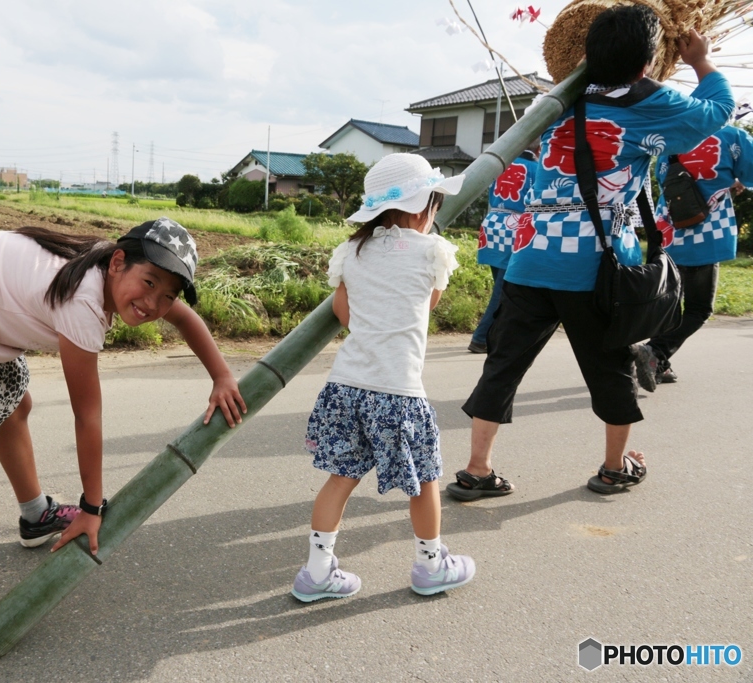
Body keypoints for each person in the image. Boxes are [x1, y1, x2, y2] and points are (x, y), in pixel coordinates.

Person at [0, 218, 247, 594]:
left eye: (167, 295)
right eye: (149, 283)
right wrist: (92, 507)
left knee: (15, 406)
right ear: (119, 262)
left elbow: (185, 318)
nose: (153, 303)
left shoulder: (109, 268)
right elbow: (87, 415)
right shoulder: (82, 303)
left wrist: (222, 376)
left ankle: (35, 515)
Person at [449, 5, 733, 500]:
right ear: (648, 62)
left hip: (528, 256)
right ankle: (613, 466)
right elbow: (717, 112)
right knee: (609, 365)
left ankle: (477, 469)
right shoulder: (649, 103)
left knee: (504, 365)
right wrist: (702, 61)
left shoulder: (562, 104)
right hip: (594, 266)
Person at [290, 154, 475, 601]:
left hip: (346, 386)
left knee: (340, 477)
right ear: (421, 208)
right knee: (425, 479)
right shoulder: (434, 250)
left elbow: (343, 311)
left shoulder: (352, 251)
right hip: (398, 392)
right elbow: (425, 307)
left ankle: (316, 574)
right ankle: (431, 566)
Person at [632, 121, 753, 387]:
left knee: (670, 305)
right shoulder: (731, 135)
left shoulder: (674, 134)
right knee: (699, 309)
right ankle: (654, 351)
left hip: (669, 232)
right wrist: (730, 181)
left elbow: (664, 177)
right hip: (706, 235)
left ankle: (659, 364)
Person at [469, 148, 539, 354]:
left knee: (500, 286)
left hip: (492, 225)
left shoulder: (500, 164)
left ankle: (493, 336)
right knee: (503, 290)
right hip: (516, 226)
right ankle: (481, 338)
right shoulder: (537, 169)